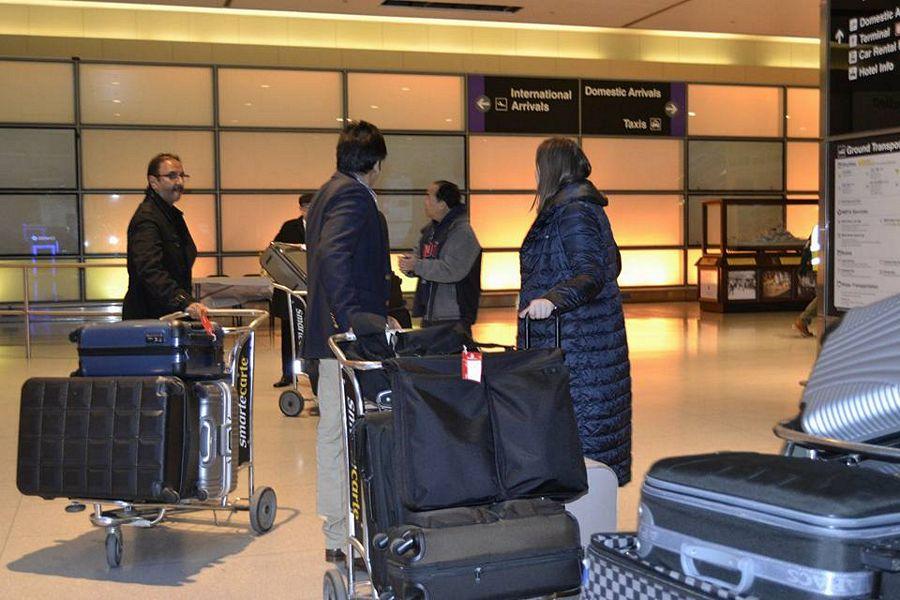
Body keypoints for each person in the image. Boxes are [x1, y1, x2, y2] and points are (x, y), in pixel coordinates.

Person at [517, 137, 632, 486]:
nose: (535, 174)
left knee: (581, 437)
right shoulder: (579, 206)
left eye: (539, 166)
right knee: (581, 436)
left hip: (578, 346)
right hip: (585, 342)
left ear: (551, 168)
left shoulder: (574, 210)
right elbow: (612, 262)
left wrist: (551, 299)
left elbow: (592, 273)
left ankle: (580, 521)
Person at [301, 121, 392, 564]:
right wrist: (354, 317)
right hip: (344, 343)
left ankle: (339, 533)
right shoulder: (354, 196)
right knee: (348, 435)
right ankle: (347, 534)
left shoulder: (325, 194)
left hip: (328, 338)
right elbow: (332, 255)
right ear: (375, 164)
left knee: (335, 434)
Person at [123, 153, 207, 321]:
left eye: (182, 175)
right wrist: (183, 301)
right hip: (151, 318)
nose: (180, 182)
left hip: (168, 314)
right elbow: (150, 269)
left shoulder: (169, 216)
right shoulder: (148, 219)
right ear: (154, 182)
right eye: (172, 176)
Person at [399, 180, 482, 332]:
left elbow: (452, 270)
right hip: (431, 312)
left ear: (442, 204)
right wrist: (409, 265)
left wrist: (417, 265)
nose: (425, 202)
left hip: (453, 315)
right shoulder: (431, 230)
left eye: (428, 196)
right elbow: (421, 256)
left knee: (452, 355)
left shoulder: (462, 232)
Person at [272, 193, 313, 388]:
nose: (308, 210)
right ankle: (287, 374)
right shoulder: (290, 227)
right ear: (301, 208)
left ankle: (313, 372)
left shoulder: (323, 226)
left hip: (313, 289)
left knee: (312, 332)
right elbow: (276, 249)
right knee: (288, 334)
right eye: (305, 206)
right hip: (291, 289)